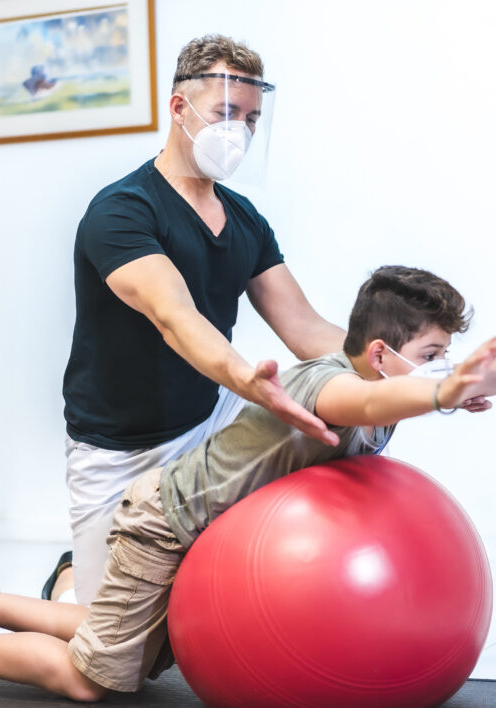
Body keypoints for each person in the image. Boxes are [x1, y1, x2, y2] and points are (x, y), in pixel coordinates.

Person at [0, 266, 496, 700]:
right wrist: (441, 393)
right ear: (386, 354)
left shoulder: (399, 380)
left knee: (148, 655)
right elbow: (367, 404)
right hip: (169, 523)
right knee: (96, 680)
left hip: (218, 545)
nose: (446, 368)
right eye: (432, 355)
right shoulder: (329, 384)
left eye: (447, 359)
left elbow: (486, 374)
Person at [55, 35, 346, 605]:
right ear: (179, 108)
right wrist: (247, 381)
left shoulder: (245, 219)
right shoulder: (122, 210)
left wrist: (394, 365)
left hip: (208, 414)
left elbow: (306, 328)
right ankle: (65, 576)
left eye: (252, 118)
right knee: (99, 664)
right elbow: (175, 317)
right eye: (226, 113)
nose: (238, 129)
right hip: (119, 448)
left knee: (334, 402)